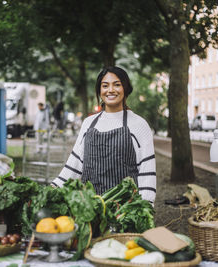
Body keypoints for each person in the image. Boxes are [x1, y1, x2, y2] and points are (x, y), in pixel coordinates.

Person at [51, 66, 156, 205]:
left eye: (117, 85)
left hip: (125, 211)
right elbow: (73, 165)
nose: (110, 90)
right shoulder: (88, 123)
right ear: (99, 91)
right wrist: (51, 191)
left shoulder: (139, 125)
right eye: (105, 86)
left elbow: (147, 173)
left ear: (125, 88)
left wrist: (145, 208)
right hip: (90, 208)